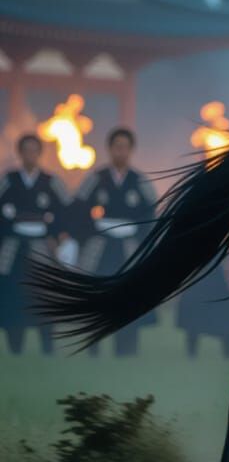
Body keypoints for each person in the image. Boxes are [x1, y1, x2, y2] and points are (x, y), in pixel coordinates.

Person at [72, 128, 159, 356]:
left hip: (129, 248)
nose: (120, 151)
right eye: (116, 146)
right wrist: (91, 231)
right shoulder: (95, 178)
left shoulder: (140, 181)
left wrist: (139, 236)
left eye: (125, 147)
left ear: (131, 150)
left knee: (129, 295)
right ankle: (93, 349)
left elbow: (151, 213)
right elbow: (79, 209)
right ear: (109, 149)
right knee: (98, 295)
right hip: (100, 247)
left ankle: (126, 349)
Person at [0, 135, 70, 355]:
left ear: (40, 153)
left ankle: (47, 348)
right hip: (12, 251)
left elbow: (65, 211)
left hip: (42, 250)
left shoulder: (51, 182)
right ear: (20, 153)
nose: (30, 155)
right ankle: (15, 349)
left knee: (43, 297)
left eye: (34, 150)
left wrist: (56, 237)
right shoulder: (8, 180)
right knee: (12, 298)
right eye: (26, 150)